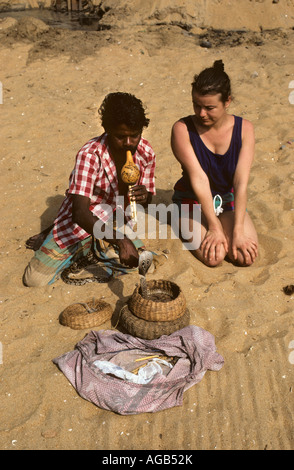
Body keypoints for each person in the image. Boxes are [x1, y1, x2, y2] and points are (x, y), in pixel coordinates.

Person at [23, 92, 156, 287]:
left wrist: (145, 196)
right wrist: (120, 241)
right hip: (86, 216)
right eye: (120, 136)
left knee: (145, 265)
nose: (128, 143)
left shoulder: (146, 152)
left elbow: (148, 199)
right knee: (34, 280)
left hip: (115, 217)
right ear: (107, 129)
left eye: (134, 136)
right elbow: (79, 213)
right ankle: (70, 238)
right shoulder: (90, 155)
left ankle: (89, 246)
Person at [171, 60, 258, 267]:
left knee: (242, 256)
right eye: (196, 105)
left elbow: (241, 183)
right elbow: (199, 179)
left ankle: (229, 226)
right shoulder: (182, 129)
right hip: (192, 201)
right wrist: (214, 227)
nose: (201, 113)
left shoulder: (245, 129)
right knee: (214, 257)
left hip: (226, 201)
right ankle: (178, 219)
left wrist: (237, 231)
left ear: (227, 101)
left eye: (209, 107)